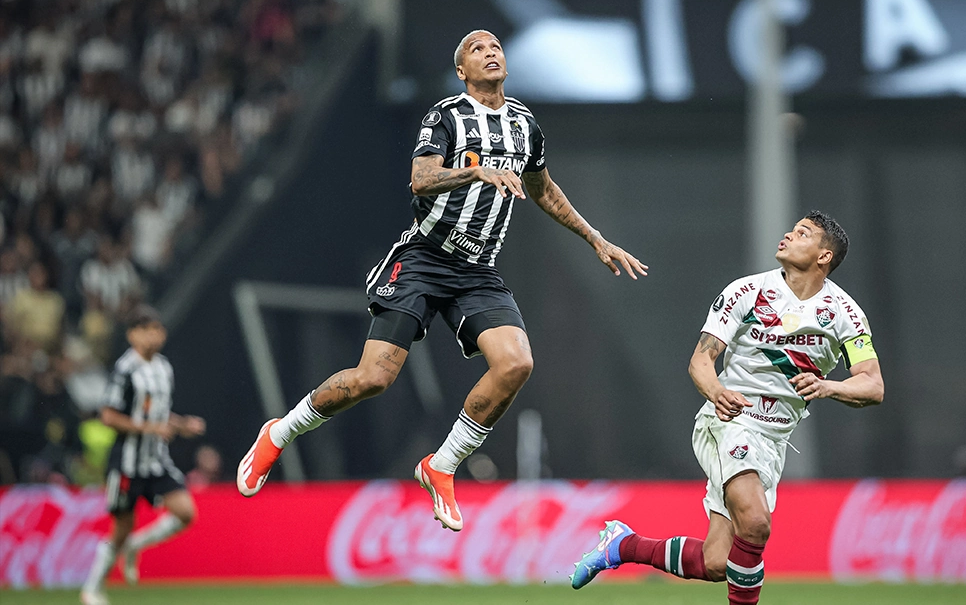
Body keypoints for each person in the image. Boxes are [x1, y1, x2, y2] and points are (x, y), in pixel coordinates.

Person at [236, 30, 648, 532]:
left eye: (495, 46)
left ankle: (442, 465)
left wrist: (595, 238)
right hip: (424, 258)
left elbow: (543, 188)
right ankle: (280, 433)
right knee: (372, 379)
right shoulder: (447, 116)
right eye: (476, 48)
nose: (490, 51)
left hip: (477, 271)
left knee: (517, 363)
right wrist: (476, 173)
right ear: (461, 71)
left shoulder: (524, 124)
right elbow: (421, 178)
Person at [570, 212, 883, 605]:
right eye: (792, 228)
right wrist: (716, 391)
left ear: (824, 257)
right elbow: (701, 361)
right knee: (754, 522)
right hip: (728, 421)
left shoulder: (844, 313)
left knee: (717, 562)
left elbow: (872, 385)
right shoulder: (746, 292)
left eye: (803, 234)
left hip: (773, 441)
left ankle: (623, 545)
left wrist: (828, 386)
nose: (788, 233)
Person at [81, 306, 206, 605]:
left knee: (186, 513)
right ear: (132, 334)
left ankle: (135, 546)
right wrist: (151, 428)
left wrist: (181, 423)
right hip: (127, 462)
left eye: (157, 329)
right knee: (120, 528)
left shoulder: (164, 367)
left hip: (156, 460)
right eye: (146, 329)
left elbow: (159, 414)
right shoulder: (126, 369)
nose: (154, 335)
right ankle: (92, 589)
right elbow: (108, 416)